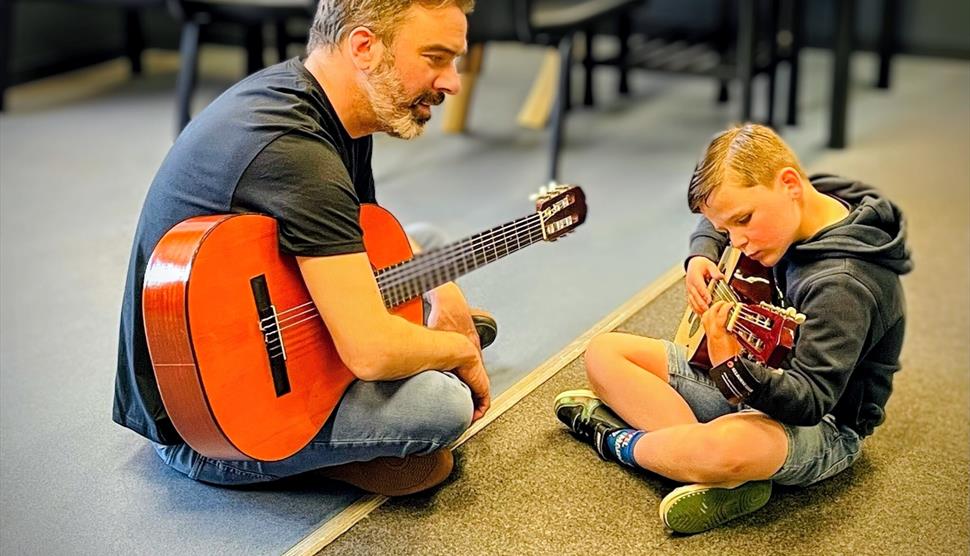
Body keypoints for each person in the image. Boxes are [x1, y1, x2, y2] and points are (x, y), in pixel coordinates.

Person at [113, 0, 494, 496]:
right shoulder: (297, 153)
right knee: (441, 406)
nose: (452, 82)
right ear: (364, 47)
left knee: (429, 247)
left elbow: (364, 238)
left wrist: (442, 287)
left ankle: (414, 334)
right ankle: (323, 448)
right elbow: (371, 353)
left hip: (254, 326)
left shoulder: (323, 100)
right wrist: (459, 349)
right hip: (205, 427)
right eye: (437, 58)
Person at [554, 123, 912, 533]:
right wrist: (701, 255)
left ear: (790, 185)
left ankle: (619, 442)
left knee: (732, 443)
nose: (737, 242)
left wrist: (730, 366)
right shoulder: (797, 204)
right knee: (603, 352)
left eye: (744, 221)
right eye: (728, 230)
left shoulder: (842, 285)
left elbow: (809, 403)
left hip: (821, 426)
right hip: (754, 377)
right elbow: (715, 220)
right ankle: (704, 465)